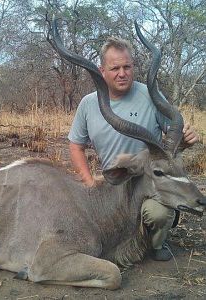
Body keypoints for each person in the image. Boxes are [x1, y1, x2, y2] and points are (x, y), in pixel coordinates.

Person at [68, 37, 199, 261]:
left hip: (149, 180)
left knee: (157, 214)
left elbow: (172, 143)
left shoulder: (151, 96)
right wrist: (88, 181)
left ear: (133, 67)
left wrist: (186, 139)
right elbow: (75, 145)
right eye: (115, 68)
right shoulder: (89, 103)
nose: (122, 73)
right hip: (114, 180)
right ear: (102, 71)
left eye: (127, 66)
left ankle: (156, 243)